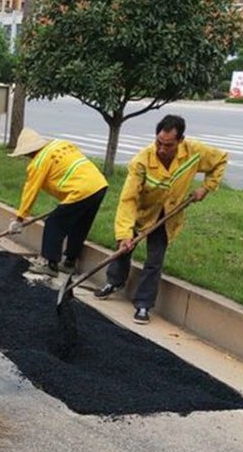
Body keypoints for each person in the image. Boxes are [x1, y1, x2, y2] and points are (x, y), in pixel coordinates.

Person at [95, 114, 228, 324]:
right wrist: (124, 233)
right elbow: (128, 199)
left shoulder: (195, 152)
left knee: (154, 260)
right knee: (123, 248)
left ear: (180, 141)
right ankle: (115, 282)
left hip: (168, 215)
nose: (162, 149)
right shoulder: (141, 160)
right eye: (159, 143)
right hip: (142, 211)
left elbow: (220, 159)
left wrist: (206, 188)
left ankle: (143, 304)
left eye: (168, 145)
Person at [7, 128, 108, 276]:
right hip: (99, 185)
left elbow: (30, 191)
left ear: (29, 152)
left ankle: (51, 265)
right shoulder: (61, 144)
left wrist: (19, 218)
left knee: (54, 223)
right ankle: (69, 263)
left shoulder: (38, 162)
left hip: (81, 190)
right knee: (80, 225)